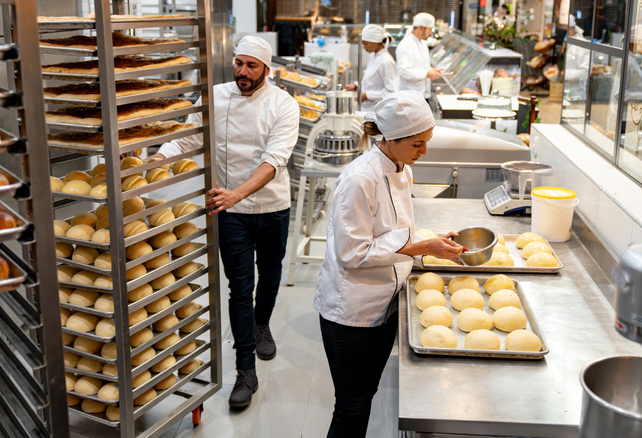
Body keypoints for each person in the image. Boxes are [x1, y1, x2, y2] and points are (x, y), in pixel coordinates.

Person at [152, 35, 300, 409]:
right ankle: (245, 372)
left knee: (270, 273)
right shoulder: (215, 97)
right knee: (239, 287)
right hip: (229, 211)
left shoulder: (284, 104)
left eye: (252, 66)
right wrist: (152, 162)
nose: (243, 72)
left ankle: (261, 323)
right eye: (238, 63)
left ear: (267, 69)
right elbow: (186, 141)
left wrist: (238, 192)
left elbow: (274, 160)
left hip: (270, 206)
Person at [314, 91, 464, 437]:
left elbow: (393, 231)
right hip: (351, 311)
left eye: (426, 142)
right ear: (391, 139)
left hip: (387, 301)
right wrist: (419, 247)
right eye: (416, 144)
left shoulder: (401, 168)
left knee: (366, 394)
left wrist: (431, 241)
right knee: (351, 403)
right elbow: (352, 254)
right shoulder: (359, 179)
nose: (423, 152)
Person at [343, 24, 398, 113]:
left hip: (378, 111)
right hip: (367, 109)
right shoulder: (373, 56)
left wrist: (367, 95)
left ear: (376, 41)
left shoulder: (386, 61)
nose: (364, 48)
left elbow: (391, 92)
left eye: (366, 44)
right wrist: (357, 85)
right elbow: (373, 80)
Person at [395, 12, 443, 100]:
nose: (431, 33)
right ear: (421, 28)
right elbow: (404, 71)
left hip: (422, 95)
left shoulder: (422, 42)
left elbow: (422, 66)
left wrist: (431, 71)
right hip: (410, 98)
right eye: (430, 29)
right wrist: (426, 73)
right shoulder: (406, 45)